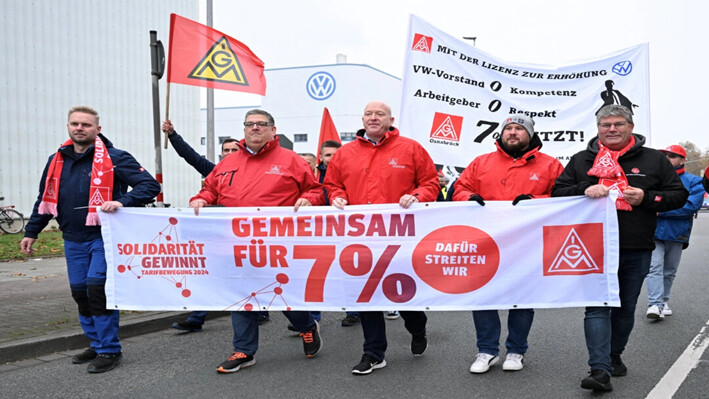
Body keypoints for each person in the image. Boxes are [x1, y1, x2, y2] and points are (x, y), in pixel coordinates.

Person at [552, 105, 688, 392]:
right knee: (597, 306)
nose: (611, 129)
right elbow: (557, 193)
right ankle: (599, 369)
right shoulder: (581, 160)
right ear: (598, 128)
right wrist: (583, 190)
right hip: (591, 247)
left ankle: (614, 356)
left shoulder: (654, 160)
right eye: (605, 125)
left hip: (636, 246)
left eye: (618, 124)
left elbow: (678, 195)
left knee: (625, 307)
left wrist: (647, 197)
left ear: (630, 126)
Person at [21, 106, 161, 373]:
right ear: (68, 127)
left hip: (103, 237)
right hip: (72, 238)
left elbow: (150, 186)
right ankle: (96, 344)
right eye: (75, 123)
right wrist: (31, 232)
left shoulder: (115, 157)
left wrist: (121, 201)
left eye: (86, 124)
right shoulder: (56, 160)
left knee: (97, 291)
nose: (80, 128)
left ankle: (110, 350)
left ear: (98, 129)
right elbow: (45, 199)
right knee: (80, 293)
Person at [188, 109, 324, 374]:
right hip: (235, 244)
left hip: (277, 243)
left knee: (281, 294)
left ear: (273, 130)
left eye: (261, 124)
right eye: (250, 124)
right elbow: (211, 188)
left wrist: (310, 199)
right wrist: (201, 198)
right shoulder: (228, 162)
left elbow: (316, 189)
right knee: (241, 296)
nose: (255, 128)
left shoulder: (291, 160)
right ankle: (244, 350)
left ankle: (307, 327)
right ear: (244, 129)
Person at [324, 101, 439, 375]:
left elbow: (431, 182)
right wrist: (337, 196)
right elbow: (331, 183)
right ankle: (373, 353)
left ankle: (417, 327)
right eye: (368, 114)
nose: (373, 118)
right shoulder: (345, 153)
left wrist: (418, 196)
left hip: (399, 236)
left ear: (390, 120)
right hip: (360, 237)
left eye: (380, 114)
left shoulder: (411, 149)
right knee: (367, 295)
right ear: (362, 119)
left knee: (401, 294)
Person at [453, 115, 564, 374]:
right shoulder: (481, 162)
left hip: (528, 243)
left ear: (531, 134)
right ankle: (487, 350)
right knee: (483, 296)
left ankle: (516, 350)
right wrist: (469, 196)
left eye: (519, 129)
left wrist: (536, 199)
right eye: (509, 129)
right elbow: (459, 188)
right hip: (485, 240)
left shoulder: (550, 165)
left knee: (522, 298)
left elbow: (562, 196)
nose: (513, 133)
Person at [161, 120, 269, 331]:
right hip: (221, 236)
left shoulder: (257, 174)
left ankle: (263, 310)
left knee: (253, 274)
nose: (229, 153)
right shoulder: (216, 171)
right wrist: (173, 135)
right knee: (211, 276)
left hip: (251, 234)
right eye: (225, 150)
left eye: (233, 150)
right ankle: (196, 319)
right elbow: (191, 156)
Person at [645, 145, 704, 319]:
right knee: (653, 267)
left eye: (672, 155)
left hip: (677, 233)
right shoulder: (653, 178)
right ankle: (655, 304)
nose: (667, 158)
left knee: (669, 271)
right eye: (664, 155)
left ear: (682, 160)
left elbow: (690, 206)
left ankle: (663, 300)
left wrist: (660, 210)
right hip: (653, 231)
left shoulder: (694, 181)